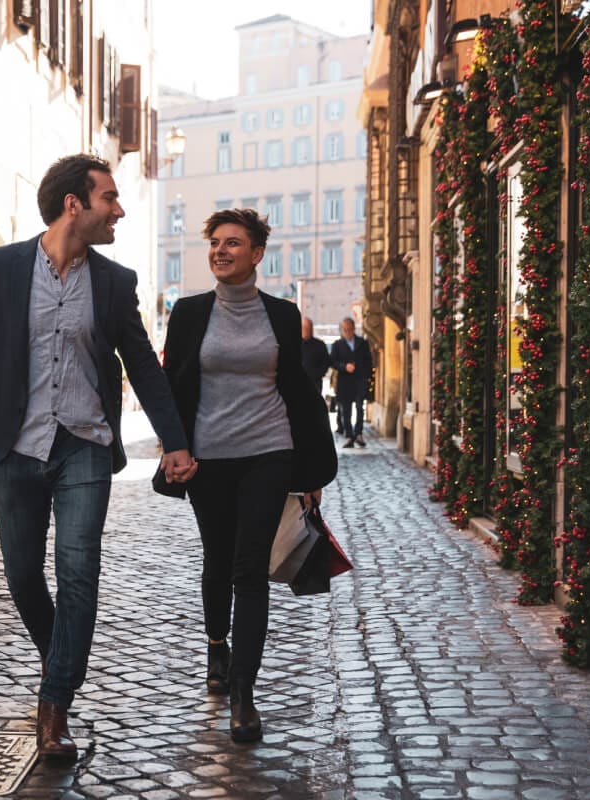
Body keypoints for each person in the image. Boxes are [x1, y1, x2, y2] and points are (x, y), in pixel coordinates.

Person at [0, 154, 196, 761]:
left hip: (84, 446)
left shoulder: (114, 282)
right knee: (21, 574)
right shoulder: (1, 268)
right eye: (109, 199)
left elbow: (142, 365)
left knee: (78, 572)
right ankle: (60, 658)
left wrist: (174, 440)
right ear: (74, 204)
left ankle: (55, 706)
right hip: (16, 445)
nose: (119, 210)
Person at [161, 208, 336, 743]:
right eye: (215, 242)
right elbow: (172, 387)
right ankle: (217, 647)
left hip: (268, 452)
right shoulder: (189, 313)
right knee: (217, 560)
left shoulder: (281, 315)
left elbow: (298, 393)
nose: (221, 250)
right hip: (208, 459)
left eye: (233, 242)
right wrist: (174, 448)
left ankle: (243, 692)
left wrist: (309, 469)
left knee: (250, 568)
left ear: (257, 254)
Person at [330, 316, 373, 448]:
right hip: (345, 382)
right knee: (345, 411)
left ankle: (358, 433)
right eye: (345, 330)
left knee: (360, 408)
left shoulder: (362, 343)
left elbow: (369, 361)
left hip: (359, 380)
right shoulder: (337, 345)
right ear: (342, 330)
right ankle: (349, 436)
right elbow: (332, 362)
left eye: (349, 329)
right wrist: (344, 367)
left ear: (354, 329)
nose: (347, 332)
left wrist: (365, 376)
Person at [300, 317, 332, 395]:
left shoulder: (320, 345)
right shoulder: (294, 344)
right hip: (298, 383)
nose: (306, 330)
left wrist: (318, 374)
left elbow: (326, 363)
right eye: (304, 328)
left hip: (315, 383)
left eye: (308, 328)